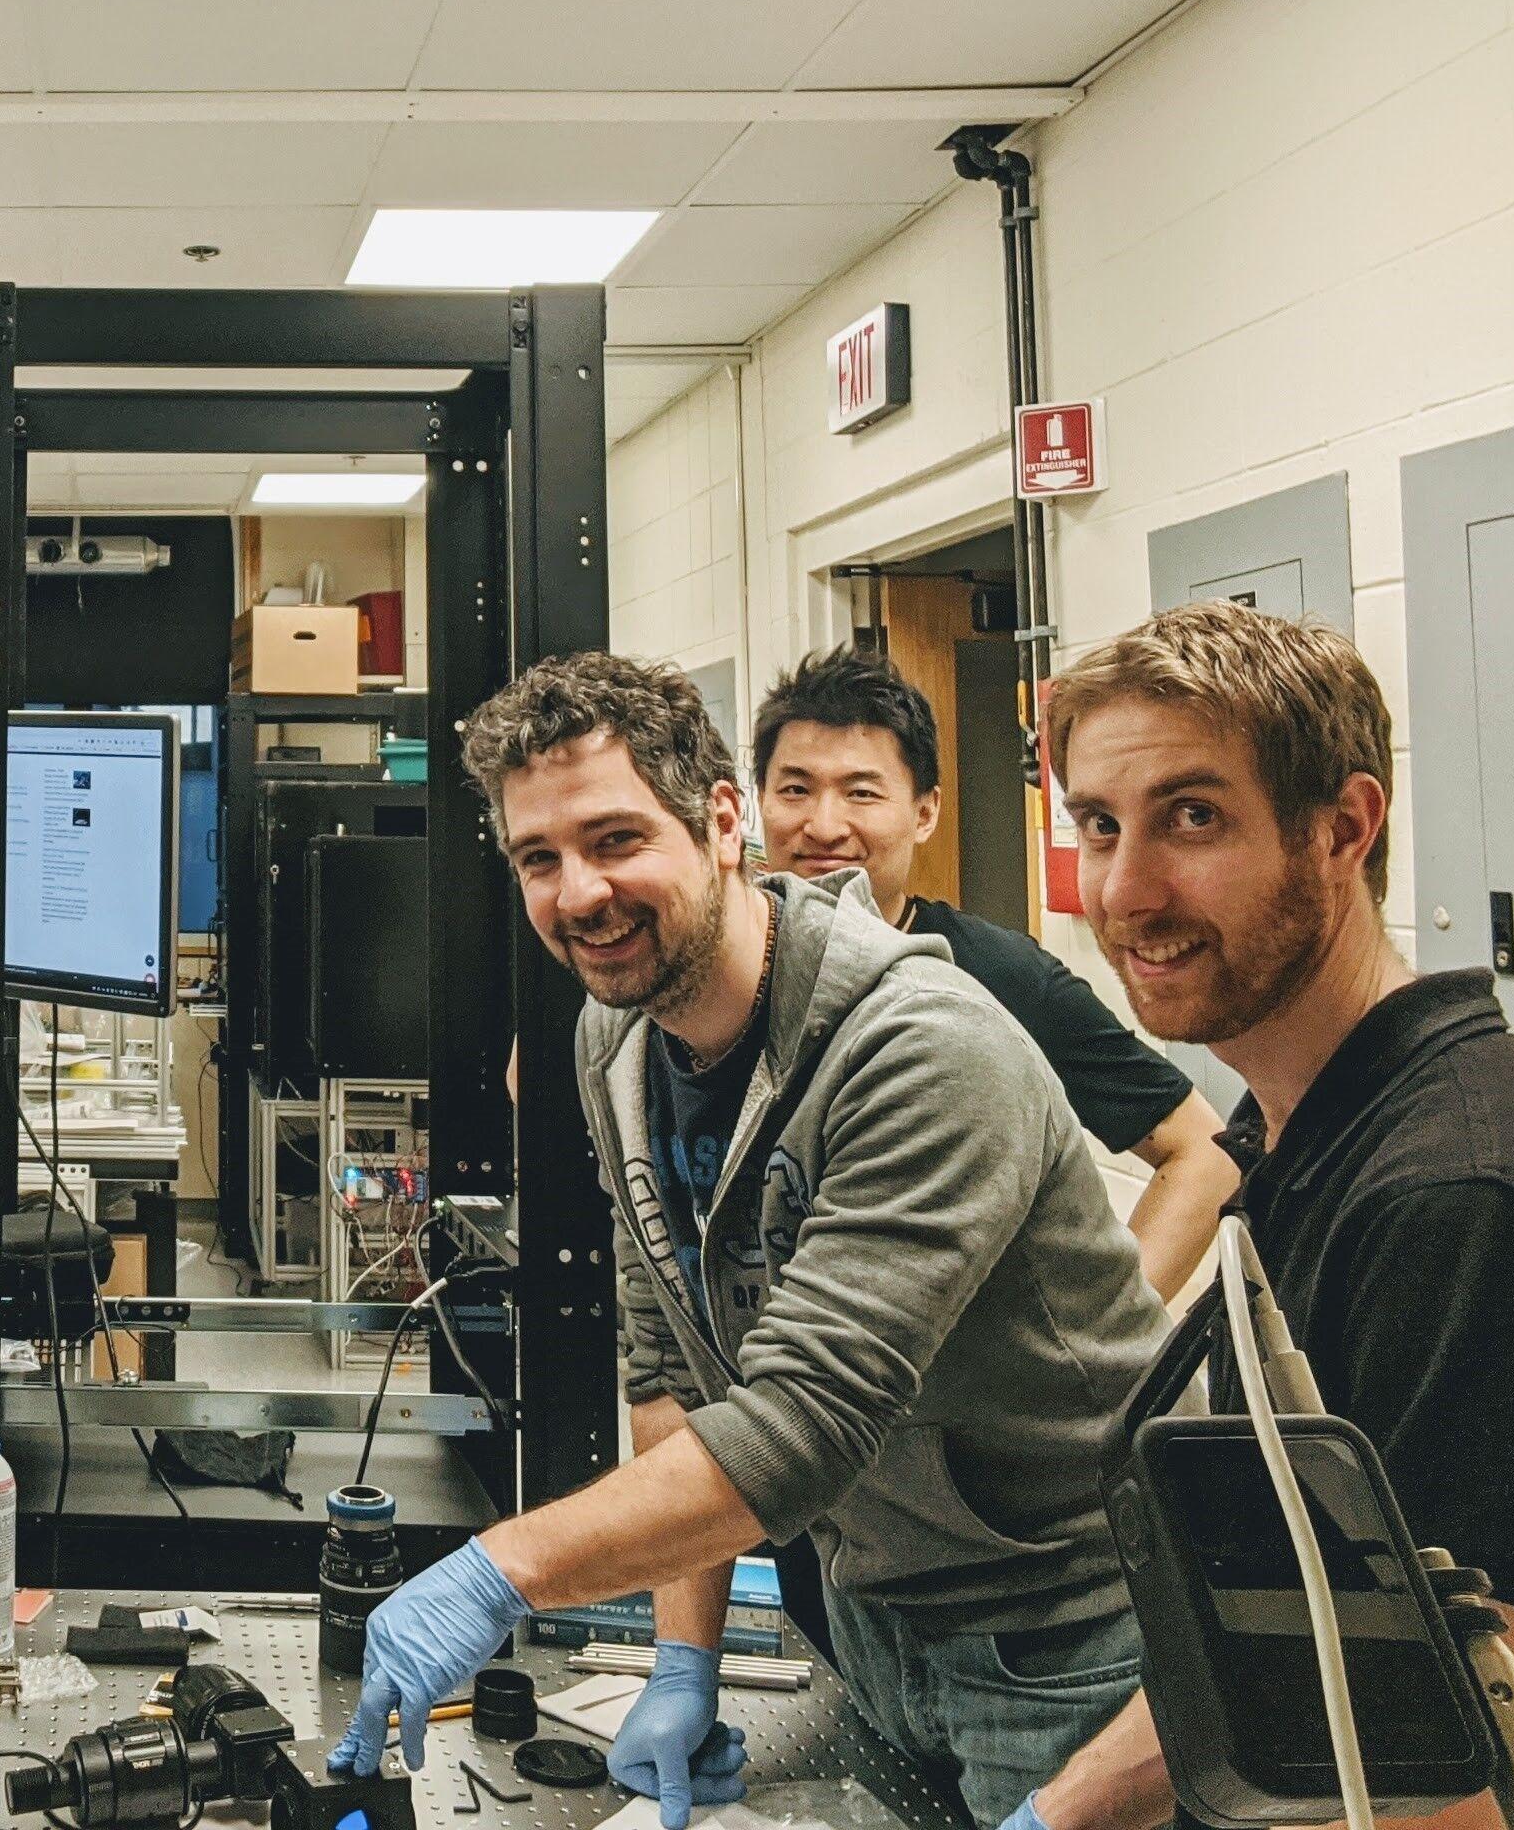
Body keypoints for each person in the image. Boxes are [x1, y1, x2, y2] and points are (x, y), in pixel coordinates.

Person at [331, 653, 1168, 1830]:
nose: (578, 893)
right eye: (539, 857)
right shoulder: (610, 1035)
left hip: (1069, 1639)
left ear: (722, 821)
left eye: (616, 838)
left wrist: (499, 1569)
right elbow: (672, 1374)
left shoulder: (919, 1047)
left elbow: (800, 1423)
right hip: (875, 1622)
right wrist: (685, 1660)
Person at [1011, 600, 1514, 1830]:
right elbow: (1324, 1622)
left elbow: (1442, 1763)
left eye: (1191, 817)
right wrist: (1065, 1810)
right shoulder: (1305, 1136)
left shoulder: (1461, 1201)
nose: (1126, 889)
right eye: (1098, 825)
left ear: (1342, 829)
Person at [753, 647, 1236, 1296]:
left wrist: (1107, 1338)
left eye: (862, 792)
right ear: (758, 803)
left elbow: (1203, 1149)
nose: (824, 824)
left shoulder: (998, 976)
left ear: (925, 812)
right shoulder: (726, 981)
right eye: (795, 789)